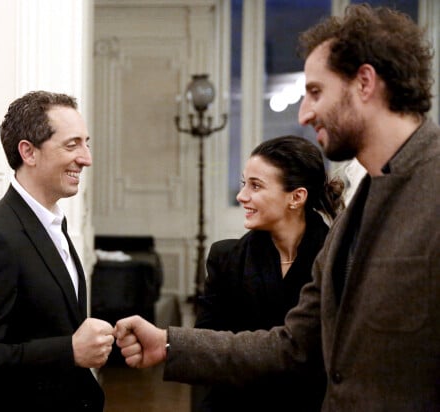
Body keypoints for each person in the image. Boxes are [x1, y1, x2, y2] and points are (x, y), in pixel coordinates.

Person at [115, 4, 440, 410]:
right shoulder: (355, 212)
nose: (304, 113)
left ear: (365, 83)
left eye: (316, 91)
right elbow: (293, 346)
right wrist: (168, 343)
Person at [0, 91, 114, 411]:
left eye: (86, 142)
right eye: (72, 145)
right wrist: (69, 350)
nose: (86, 158)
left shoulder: (53, 225)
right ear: (28, 152)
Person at [194, 135, 343, 412]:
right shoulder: (225, 259)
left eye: (256, 186)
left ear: (296, 197)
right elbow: (206, 352)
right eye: (243, 183)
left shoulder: (338, 260)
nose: (241, 196)